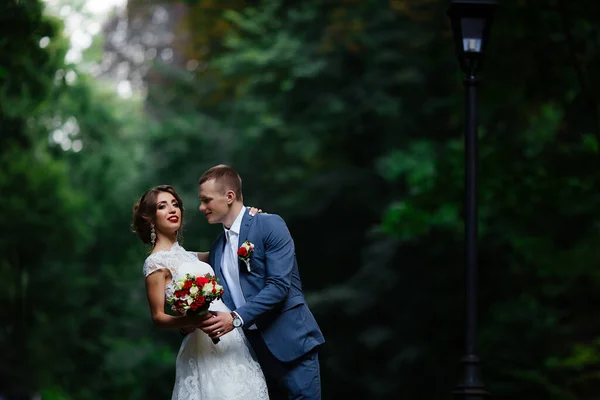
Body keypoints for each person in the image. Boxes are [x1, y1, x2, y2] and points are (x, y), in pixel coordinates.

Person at [196, 165, 325, 399]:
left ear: (229, 196)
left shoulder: (268, 225)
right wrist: (165, 253)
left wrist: (235, 319)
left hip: (291, 345)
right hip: (252, 356)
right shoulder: (217, 248)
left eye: (206, 200)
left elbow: (278, 286)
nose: (201, 207)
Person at [133, 185, 269, 400]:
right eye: (162, 206)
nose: (172, 210)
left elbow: (230, 249)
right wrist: (193, 320)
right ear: (150, 217)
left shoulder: (193, 257)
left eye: (175, 205)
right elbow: (158, 318)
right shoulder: (155, 264)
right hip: (202, 345)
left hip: (230, 337)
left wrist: (250, 220)